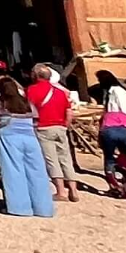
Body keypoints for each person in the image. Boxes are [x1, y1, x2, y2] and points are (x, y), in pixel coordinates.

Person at [0, 76, 54, 218]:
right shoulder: (27, 103)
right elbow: (36, 120)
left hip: (9, 137)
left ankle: (19, 208)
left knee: (13, 171)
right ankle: (43, 208)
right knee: (37, 172)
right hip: (30, 138)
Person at [25, 64, 79, 204]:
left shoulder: (31, 90)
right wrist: (65, 125)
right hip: (60, 127)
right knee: (65, 159)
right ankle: (73, 189)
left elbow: (29, 109)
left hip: (44, 127)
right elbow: (68, 111)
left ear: (35, 75)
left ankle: (61, 191)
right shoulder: (60, 92)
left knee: (51, 160)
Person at [92, 72, 126, 196]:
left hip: (124, 127)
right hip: (116, 128)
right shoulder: (110, 93)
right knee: (119, 159)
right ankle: (116, 186)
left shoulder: (119, 93)